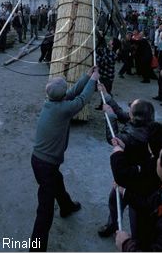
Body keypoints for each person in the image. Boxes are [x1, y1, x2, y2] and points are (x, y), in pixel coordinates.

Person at [30, 66, 99, 251]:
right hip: (46, 164)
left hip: (39, 161)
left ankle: (66, 206)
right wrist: (93, 80)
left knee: (56, 180)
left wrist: (86, 76)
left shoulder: (52, 103)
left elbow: (73, 91)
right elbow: (82, 99)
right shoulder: (63, 109)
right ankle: (36, 248)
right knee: (45, 209)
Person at [97, 83, 155, 238]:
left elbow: (113, 138)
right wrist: (107, 96)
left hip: (131, 177)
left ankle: (134, 242)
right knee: (114, 201)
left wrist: (109, 116)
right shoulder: (147, 125)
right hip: (137, 173)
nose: (127, 112)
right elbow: (122, 115)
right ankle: (113, 225)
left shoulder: (132, 137)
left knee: (134, 211)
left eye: (131, 110)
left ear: (134, 116)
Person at [110, 122, 162, 249]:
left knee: (141, 236)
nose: (154, 161)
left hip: (146, 226)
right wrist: (124, 147)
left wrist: (126, 245)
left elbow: (124, 175)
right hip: (144, 210)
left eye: (156, 159)